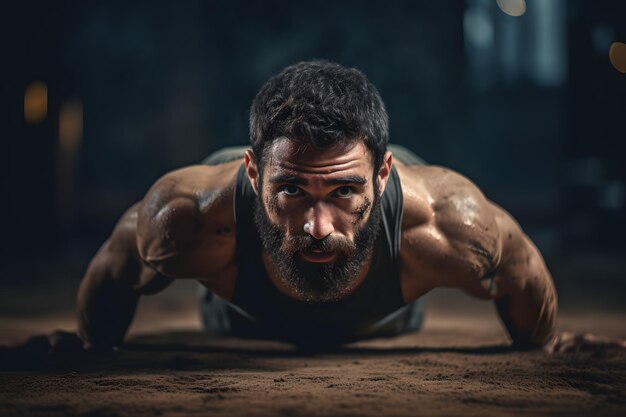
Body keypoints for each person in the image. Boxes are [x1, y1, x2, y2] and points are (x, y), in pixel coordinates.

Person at [76, 60, 559, 352]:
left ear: (383, 174)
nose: (318, 226)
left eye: (344, 192)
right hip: (243, 322)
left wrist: (545, 343)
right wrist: (91, 346)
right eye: (292, 192)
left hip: (385, 323)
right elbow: (116, 268)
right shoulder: (187, 217)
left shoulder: (447, 221)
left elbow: (522, 270)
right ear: (252, 173)